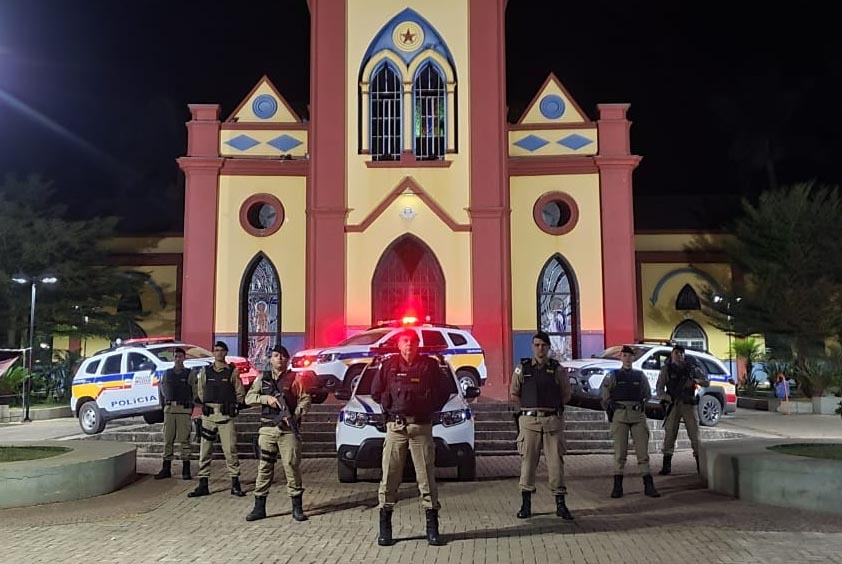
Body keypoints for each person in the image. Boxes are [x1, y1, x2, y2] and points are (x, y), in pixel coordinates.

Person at [370, 329, 451, 547]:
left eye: (413, 342)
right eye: (405, 341)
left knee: (426, 479)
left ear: (418, 345)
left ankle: (432, 528)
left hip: (421, 427)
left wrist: (430, 407)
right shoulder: (388, 366)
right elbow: (376, 391)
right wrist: (389, 408)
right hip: (396, 428)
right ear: (398, 344)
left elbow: (445, 391)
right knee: (389, 477)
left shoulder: (430, 366)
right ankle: (385, 528)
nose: (409, 346)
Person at [510, 331, 574, 520]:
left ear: (548, 347)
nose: (540, 349)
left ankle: (560, 504)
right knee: (528, 464)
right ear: (532, 347)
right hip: (530, 422)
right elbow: (514, 393)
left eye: (543, 346)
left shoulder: (557, 369)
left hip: (552, 422)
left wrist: (554, 408)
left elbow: (566, 393)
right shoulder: (523, 368)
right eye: (537, 345)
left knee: (555, 465)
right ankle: (526, 504)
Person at [245, 344, 311, 522]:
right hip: (267, 429)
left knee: (291, 465)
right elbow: (248, 398)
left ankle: (297, 507)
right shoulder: (262, 378)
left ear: (287, 359)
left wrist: (295, 414)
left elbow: (305, 399)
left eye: (282, 356)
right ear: (270, 359)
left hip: (288, 430)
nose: (279, 359)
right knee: (264, 467)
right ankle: (259, 507)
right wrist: (267, 399)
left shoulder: (295, 378)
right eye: (275, 355)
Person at [188, 341, 247, 498]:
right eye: (216, 350)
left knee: (230, 451)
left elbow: (240, 393)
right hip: (208, 416)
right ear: (213, 353)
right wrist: (205, 403)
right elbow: (200, 390)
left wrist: (234, 406)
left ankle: (235, 484)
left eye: (222, 350)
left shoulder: (232, 372)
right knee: (205, 451)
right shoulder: (205, 372)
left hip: (226, 417)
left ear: (226, 353)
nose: (219, 353)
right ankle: (203, 484)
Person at [601, 345, 660, 498]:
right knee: (620, 453)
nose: (627, 358)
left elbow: (647, 393)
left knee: (642, 453)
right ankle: (617, 486)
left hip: (637, 414)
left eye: (630, 356)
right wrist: (611, 410)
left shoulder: (639, 376)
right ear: (621, 357)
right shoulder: (613, 375)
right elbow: (605, 395)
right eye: (624, 356)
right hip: (620, 415)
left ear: (633, 358)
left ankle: (648, 485)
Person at [655, 344, 709, 475]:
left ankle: (700, 466)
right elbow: (659, 390)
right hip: (673, 405)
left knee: (695, 435)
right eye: (676, 353)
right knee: (669, 435)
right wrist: (668, 398)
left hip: (688, 405)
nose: (679, 355)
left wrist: (694, 381)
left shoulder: (691, 369)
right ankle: (666, 466)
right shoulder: (666, 370)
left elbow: (706, 382)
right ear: (672, 354)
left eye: (681, 353)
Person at [154, 347, 196, 480]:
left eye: (180, 356)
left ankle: (186, 469)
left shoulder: (189, 374)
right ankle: (166, 468)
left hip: (183, 410)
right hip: (170, 410)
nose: (178, 359)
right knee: (168, 439)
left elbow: (195, 392)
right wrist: (163, 407)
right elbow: (161, 390)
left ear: (184, 358)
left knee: (184, 440)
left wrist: (191, 407)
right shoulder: (167, 373)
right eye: (176, 356)